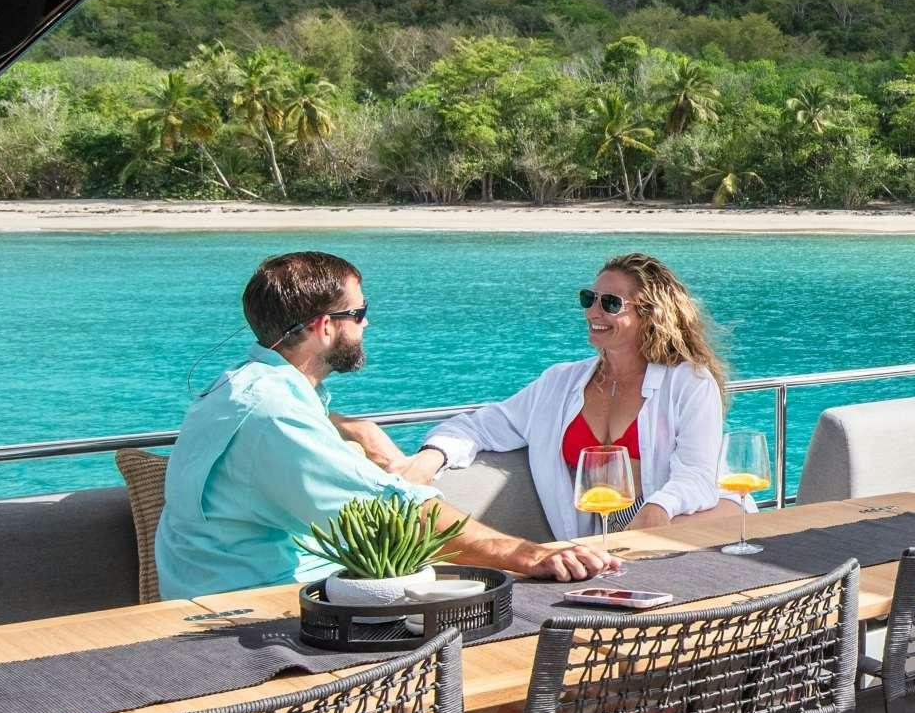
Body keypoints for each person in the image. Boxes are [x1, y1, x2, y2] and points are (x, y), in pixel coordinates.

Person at [154, 251, 621, 601]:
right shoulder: (274, 416)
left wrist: (353, 428)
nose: (367, 322)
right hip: (261, 609)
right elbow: (396, 516)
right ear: (324, 327)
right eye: (358, 314)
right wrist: (531, 555)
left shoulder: (239, 387)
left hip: (223, 591)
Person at [406, 253, 737, 540]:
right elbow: (483, 425)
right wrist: (431, 456)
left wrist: (658, 507)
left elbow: (697, 475)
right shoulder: (559, 383)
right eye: (588, 298)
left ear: (650, 315)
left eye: (610, 303)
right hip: (598, 537)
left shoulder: (688, 382)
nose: (594, 312)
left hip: (679, 519)